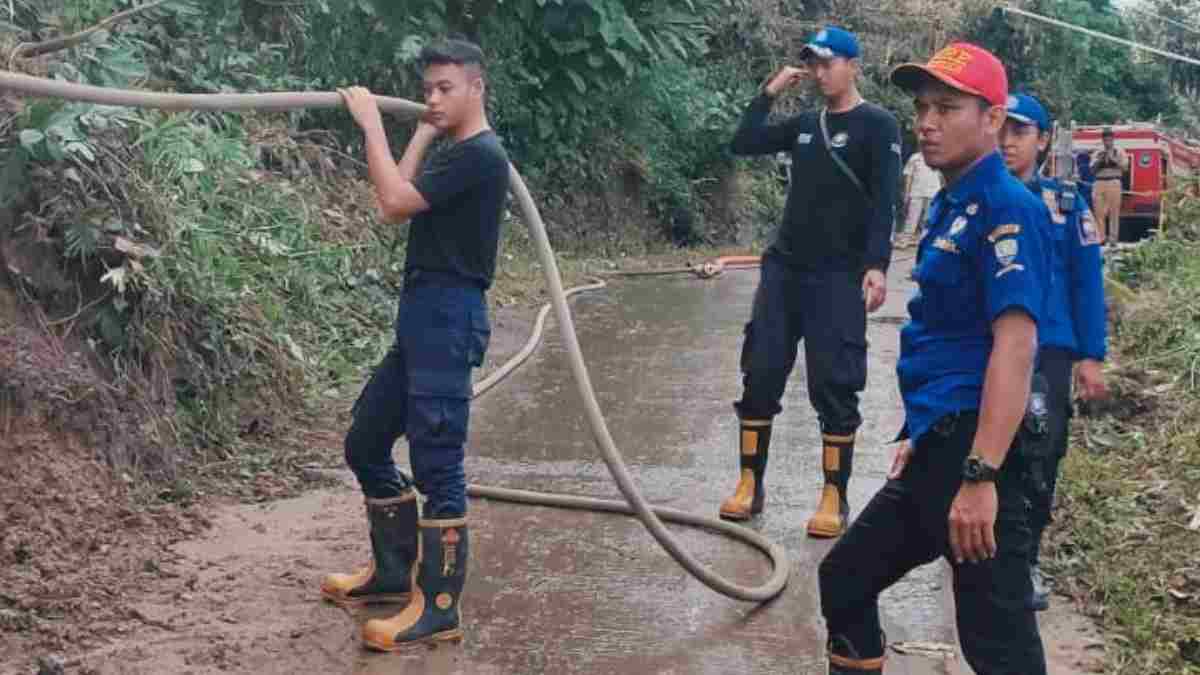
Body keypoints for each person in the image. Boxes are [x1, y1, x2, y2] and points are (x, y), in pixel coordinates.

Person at [818, 43, 1052, 674]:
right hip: (939, 447)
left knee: (996, 646)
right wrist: (918, 434)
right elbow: (947, 341)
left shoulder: (1009, 209)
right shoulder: (951, 205)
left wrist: (980, 478)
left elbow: (1016, 345)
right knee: (844, 580)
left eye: (947, 107)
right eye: (922, 106)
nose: (926, 121)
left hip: (982, 458)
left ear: (993, 118)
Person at [321, 38, 510, 651]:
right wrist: (422, 133)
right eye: (427, 88)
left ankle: (440, 607)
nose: (432, 97)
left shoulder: (482, 155)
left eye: (445, 88)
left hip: (450, 317)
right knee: (366, 441)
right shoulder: (454, 150)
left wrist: (371, 123)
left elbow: (392, 201)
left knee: (437, 464)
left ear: (476, 88)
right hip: (421, 315)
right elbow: (397, 198)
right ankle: (392, 575)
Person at [721, 26, 901, 538]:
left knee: (834, 384)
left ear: (853, 66)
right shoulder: (803, 124)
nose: (821, 72)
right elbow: (743, 141)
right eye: (814, 64)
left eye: (829, 63)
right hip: (786, 270)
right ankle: (749, 485)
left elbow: (885, 200)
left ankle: (833, 495)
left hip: (838, 276)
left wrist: (876, 265)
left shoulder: (878, 125)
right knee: (760, 373)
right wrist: (769, 91)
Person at [1000, 93, 1108, 611]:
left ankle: (1025, 560)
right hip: (989, 348)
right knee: (983, 451)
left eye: (1020, 132)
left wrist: (1091, 356)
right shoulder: (982, 198)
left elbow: (1087, 284)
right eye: (1001, 129)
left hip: (1050, 352)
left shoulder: (1066, 206)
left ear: (1042, 141)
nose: (1007, 142)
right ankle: (982, 557)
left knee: (1041, 453)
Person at [1090, 127, 1128, 245]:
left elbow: (1125, 167)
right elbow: (1092, 169)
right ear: (1103, 140)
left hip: (1114, 181)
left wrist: (1114, 160)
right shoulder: (1097, 152)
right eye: (1105, 139)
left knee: (1114, 211)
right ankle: (1101, 237)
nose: (1107, 142)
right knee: (1099, 212)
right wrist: (1100, 161)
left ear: (1113, 139)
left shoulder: (1119, 151)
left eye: (1109, 139)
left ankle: (1113, 239)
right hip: (1099, 181)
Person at [901, 150, 941, 237]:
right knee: (911, 218)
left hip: (933, 192)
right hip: (916, 191)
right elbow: (908, 176)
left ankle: (923, 240)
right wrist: (906, 193)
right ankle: (906, 238)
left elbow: (943, 176)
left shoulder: (939, 154)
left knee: (929, 220)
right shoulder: (914, 157)